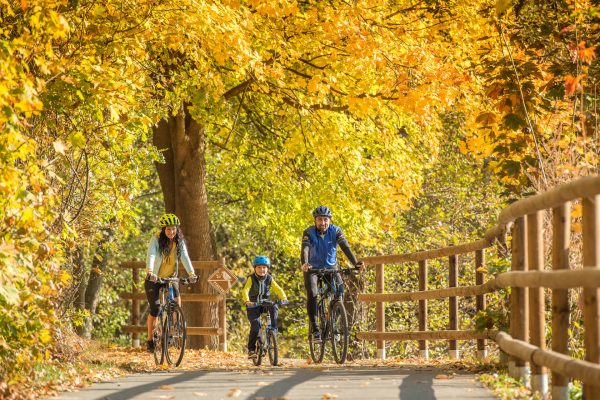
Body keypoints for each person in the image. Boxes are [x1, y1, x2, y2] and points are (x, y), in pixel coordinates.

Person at [301, 205, 364, 341]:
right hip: (312, 269)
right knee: (312, 294)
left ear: (329, 220)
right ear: (315, 221)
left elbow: (345, 246)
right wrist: (305, 263)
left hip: (331, 268)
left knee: (340, 291)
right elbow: (305, 249)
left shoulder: (336, 231)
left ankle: (333, 324)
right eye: (319, 220)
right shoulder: (308, 232)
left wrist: (355, 263)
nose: (322, 223)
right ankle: (315, 328)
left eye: (325, 220)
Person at [144, 213, 197, 352]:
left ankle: (173, 328)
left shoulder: (179, 241)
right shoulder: (156, 239)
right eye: (168, 229)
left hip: (170, 277)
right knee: (155, 309)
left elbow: (184, 256)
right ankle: (150, 339)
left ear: (177, 229)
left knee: (177, 301)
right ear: (163, 229)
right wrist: (150, 271)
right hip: (154, 278)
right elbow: (152, 254)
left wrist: (192, 273)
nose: (171, 232)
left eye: (173, 229)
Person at [242, 255, 287, 359]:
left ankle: (273, 329)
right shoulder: (251, 278)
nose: (262, 270)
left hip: (265, 302)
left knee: (274, 306)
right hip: (253, 304)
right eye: (259, 267)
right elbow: (245, 290)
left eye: (264, 267)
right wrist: (247, 301)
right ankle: (251, 349)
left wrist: (283, 298)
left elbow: (278, 288)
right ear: (255, 268)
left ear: (268, 268)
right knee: (255, 325)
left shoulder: (269, 278)